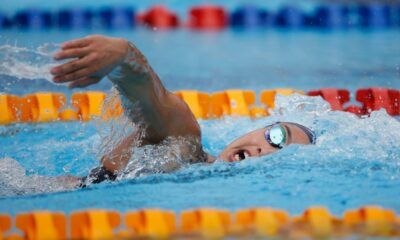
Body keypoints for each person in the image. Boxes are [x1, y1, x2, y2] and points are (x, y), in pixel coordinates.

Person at [50, 35, 316, 187]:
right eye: (277, 137)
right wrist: (125, 57)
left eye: (280, 158)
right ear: (260, 128)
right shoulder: (187, 147)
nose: (264, 151)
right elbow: (154, 101)